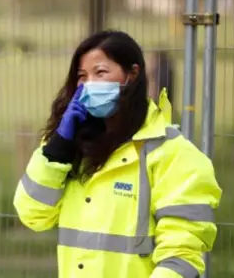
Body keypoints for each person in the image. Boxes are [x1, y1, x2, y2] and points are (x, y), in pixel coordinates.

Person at [13, 30, 222, 278]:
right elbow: (32, 215)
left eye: (100, 72)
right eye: (82, 76)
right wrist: (59, 146)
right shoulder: (72, 146)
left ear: (132, 75)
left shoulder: (173, 154)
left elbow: (181, 256)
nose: (89, 84)